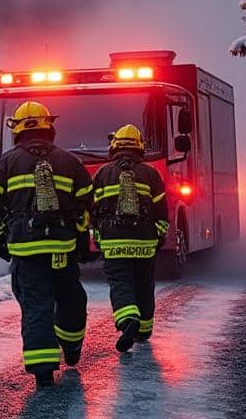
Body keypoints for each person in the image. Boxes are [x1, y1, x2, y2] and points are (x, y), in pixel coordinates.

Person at [0, 101, 93, 388]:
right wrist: (81, 240)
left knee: (36, 306)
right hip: (62, 248)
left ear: (17, 129)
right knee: (71, 299)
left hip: (25, 250)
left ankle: (43, 370)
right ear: (49, 127)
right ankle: (71, 348)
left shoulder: (5, 164)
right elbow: (86, 205)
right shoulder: (70, 162)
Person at [90, 124, 169, 352]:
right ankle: (143, 330)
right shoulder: (151, 174)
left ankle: (128, 320)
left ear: (114, 147)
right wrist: (159, 236)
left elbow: (93, 209)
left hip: (114, 242)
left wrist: (97, 235)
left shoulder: (103, 174)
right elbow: (161, 211)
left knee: (121, 282)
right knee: (144, 284)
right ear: (139, 147)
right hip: (145, 241)